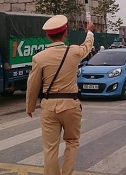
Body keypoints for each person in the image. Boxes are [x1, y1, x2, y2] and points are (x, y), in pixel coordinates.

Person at [26, 15, 95, 175]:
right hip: (71, 105)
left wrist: (30, 106)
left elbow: (33, 84)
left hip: (49, 107)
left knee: (50, 148)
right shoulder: (74, 52)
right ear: (65, 33)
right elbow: (87, 46)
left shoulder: (39, 58)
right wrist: (90, 32)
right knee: (72, 142)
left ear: (48, 35)